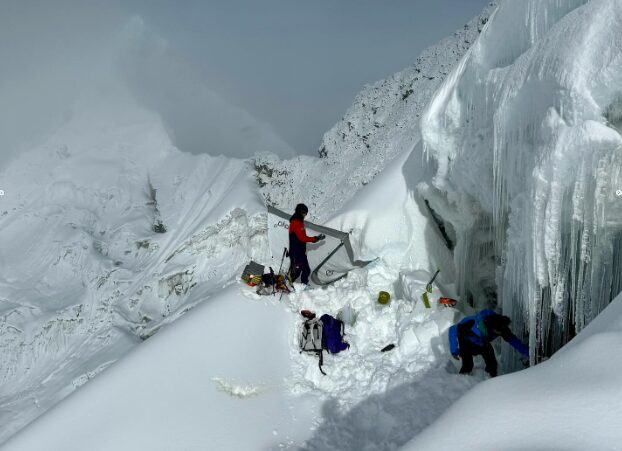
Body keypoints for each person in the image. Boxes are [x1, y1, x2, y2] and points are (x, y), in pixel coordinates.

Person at [448, 309, 528, 377]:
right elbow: (453, 329)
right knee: (468, 365)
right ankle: (461, 382)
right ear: (492, 328)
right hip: (466, 342)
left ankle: (490, 383)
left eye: (501, 331)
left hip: (482, 343)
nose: (499, 333)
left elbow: (515, 342)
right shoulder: (471, 323)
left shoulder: (501, 328)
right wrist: (454, 350)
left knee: (492, 364)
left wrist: (529, 353)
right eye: (497, 331)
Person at [288, 203, 325, 285]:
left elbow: (302, 237)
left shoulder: (298, 222)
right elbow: (302, 238)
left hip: (299, 252)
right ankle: (295, 284)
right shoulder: (296, 222)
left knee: (301, 270)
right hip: (296, 253)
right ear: (300, 212)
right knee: (301, 271)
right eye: (305, 213)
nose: (305, 215)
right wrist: (315, 238)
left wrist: (315, 238)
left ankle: (295, 284)